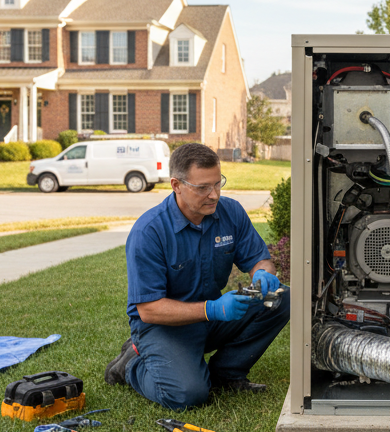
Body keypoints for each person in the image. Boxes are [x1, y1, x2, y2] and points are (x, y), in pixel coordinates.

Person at [104, 142, 290, 410]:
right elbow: (148, 310)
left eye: (217, 183)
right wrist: (212, 309)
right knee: (187, 395)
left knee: (282, 298)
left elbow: (260, 260)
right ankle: (131, 365)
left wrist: (263, 274)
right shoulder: (149, 232)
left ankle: (226, 373)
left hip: (212, 316)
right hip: (163, 327)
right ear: (176, 185)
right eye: (203, 188)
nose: (214, 195)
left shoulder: (231, 212)